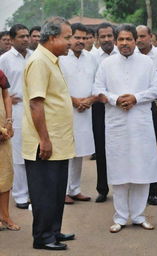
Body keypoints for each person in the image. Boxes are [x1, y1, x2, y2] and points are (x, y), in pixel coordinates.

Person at [93, 24, 157, 233]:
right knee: (119, 169)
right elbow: (97, 89)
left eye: (128, 40)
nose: (124, 44)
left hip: (140, 122)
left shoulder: (147, 62)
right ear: (116, 42)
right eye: (121, 40)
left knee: (142, 169)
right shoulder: (106, 64)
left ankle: (139, 215)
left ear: (135, 41)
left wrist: (136, 98)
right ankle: (121, 217)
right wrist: (116, 100)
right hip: (116, 123)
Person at [22, 17, 75, 250]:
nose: (71, 42)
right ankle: (43, 238)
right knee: (44, 192)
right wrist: (44, 139)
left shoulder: (51, 60)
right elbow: (36, 104)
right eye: (67, 37)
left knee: (56, 191)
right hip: (45, 143)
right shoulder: (39, 62)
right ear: (52, 38)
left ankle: (53, 231)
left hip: (58, 141)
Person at [60, 23, 98, 204]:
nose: (81, 41)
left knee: (79, 151)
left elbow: (98, 82)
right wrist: (73, 100)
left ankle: (74, 189)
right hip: (66, 111)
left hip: (85, 110)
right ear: (70, 38)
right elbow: (56, 87)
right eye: (77, 37)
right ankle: (63, 191)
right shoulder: (60, 58)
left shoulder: (91, 58)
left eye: (84, 38)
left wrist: (89, 100)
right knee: (66, 152)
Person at [136, 25, 157, 205]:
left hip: (151, 106)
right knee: (135, 150)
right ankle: (136, 191)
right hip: (130, 109)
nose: (139, 39)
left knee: (150, 150)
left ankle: (152, 192)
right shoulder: (129, 56)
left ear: (151, 37)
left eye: (143, 36)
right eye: (137, 36)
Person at [0, 24, 32, 209]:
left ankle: (31, 192)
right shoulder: (5, 59)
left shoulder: (33, 56)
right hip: (15, 110)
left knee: (31, 150)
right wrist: (7, 99)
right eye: (21, 36)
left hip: (33, 109)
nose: (25, 39)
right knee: (18, 153)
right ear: (11, 40)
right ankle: (20, 195)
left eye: (27, 36)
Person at [92, 22, 119, 203]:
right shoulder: (92, 57)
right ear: (97, 39)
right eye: (103, 36)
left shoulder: (124, 53)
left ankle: (125, 187)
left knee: (122, 147)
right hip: (100, 107)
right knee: (101, 148)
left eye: (110, 36)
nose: (107, 39)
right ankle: (103, 188)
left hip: (121, 106)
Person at [0, 70, 20, 231]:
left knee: (5, 174)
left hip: (3, 134)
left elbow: (6, 95)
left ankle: (5, 217)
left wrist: (8, 122)